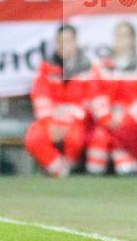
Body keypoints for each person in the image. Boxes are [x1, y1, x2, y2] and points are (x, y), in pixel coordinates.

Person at [86, 22, 137, 175]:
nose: (121, 40)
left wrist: (124, 120)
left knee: (118, 136)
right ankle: (95, 175)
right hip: (106, 123)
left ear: (134, 40)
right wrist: (107, 119)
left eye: (125, 36)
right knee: (99, 137)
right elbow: (95, 96)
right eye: (118, 36)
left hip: (132, 125)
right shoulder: (101, 66)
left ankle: (126, 168)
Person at [24, 24, 93, 177]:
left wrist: (69, 119)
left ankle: (71, 166)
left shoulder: (88, 69)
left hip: (79, 123)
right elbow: (41, 97)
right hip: (51, 121)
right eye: (61, 41)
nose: (64, 46)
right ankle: (59, 170)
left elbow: (89, 102)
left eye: (68, 41)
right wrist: (50, 122)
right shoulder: (46, 69)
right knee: (34, 137)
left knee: (76, 137)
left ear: (75, 43)